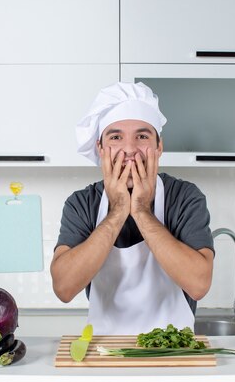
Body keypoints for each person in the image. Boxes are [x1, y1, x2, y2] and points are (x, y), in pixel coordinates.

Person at [50, 82, 214, 335]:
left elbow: (199, 284)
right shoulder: (82, 203)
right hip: (105, 354)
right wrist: (116, 212)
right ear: (100, 148)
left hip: (174, 351)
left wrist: (140, 210)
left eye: (142, 136)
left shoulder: (185, 197)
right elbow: (64, 288)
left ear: (159, 147)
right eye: (116, 137)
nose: (129, 149)